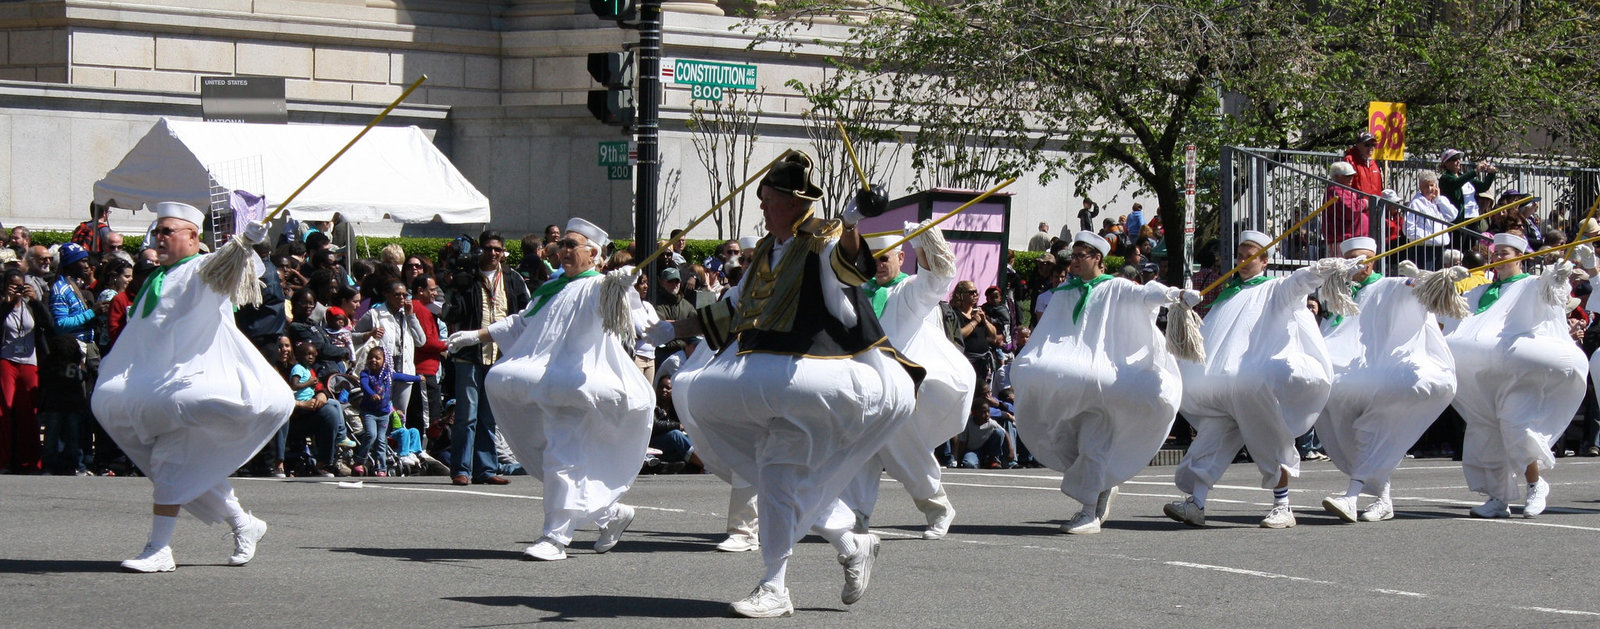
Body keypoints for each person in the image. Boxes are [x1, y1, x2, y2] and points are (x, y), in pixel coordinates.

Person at [649, 151, 919, 617]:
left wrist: (853, 218)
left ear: (796, 203)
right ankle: (850, 543)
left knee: (779, 476)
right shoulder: (762, 258)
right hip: (769, 385)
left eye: (769, 199)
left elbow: (851, 263)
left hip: (813, 377)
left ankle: (776, 585)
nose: (762, 206)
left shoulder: (820, 238)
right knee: (781, 476)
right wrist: (674, 330)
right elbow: (730, 311)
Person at [92, 202, 293, 572]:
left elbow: (226, 265)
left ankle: (160, 549)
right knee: (174, 464)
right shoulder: (156, 278)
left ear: (192, 237)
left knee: (172, 461)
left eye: (168, 231)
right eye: (157, 231)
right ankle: (243, 523)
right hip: (156, 385)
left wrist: (244, 245)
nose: (159, 237)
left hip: (192, 385)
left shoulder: (201, 269)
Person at [447, 217, 652, 561]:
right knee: (560, 457)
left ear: (594, 253)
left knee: (562, 457)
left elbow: (630, 313)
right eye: (563, 244)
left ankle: (556, 538)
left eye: (573, 245)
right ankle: (610, 514)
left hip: (577, 387)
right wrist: (475, 335)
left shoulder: (597, 286)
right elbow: (521, 323)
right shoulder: (554, 288)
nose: (564, 250)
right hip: (549, 385)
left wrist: (623, 281)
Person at [1014, 231, 1199, 534]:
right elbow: (1047, 333)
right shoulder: (1063, 293)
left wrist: (1176, 296)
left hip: (1102, 387)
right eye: (1071, 256)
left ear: (1097, 258)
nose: (1072, 262)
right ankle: (1101, 484)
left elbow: (1146, 294)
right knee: (1067, 442)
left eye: (1079, 256)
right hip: (1068, 389)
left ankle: (1088, 513)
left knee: (1093, 443)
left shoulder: (1115, 287)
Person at [1165, 230, 1350, 529]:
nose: (1242, 261)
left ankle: (1283, 506)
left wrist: (1319, 270)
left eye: (1250, 256)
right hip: (1223, 387)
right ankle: (1196, 503)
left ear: (1265, 261)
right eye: (1239, 255)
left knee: (1270, 440)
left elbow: (1299, 283)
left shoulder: (1276, 288)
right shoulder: (1229, 294)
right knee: (1210, 441)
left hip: (1252, 386)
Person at [834, 225, 974, 540]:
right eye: (874, 259)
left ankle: (937, 506)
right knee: (858, 450)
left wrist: (925, 238)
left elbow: (936, 276)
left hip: (902, 385)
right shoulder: (857, 293)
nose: (880, 264)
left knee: (903, 448)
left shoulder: (908, 290)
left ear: (901, 257)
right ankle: (857, 515)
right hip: (864, 386)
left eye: (887, 258)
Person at [1315, 237, 1457, 522]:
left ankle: (1352, 496)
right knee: (1354, 438)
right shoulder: (1342, 295)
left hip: (1382, 377)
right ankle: (1383, 499)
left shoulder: (1390, 285)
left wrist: (1430, 278)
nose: (1359, 264)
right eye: (1352, 258)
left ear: (1375, 259)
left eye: (1363, 258)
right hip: (1350, 380)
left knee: (1372, 432)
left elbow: (1417, 289)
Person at [1445, 233, 1587, 518]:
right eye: (1495, 252)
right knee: (1486, 433)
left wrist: (1558, 275)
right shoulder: (1480, 290)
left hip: (1517, 375)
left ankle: (1535, 484)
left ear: (1520, 256)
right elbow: (1450, 315)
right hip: (1485, 376)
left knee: (1516, 427)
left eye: (1505, 252)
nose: (1497, 257)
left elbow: (1553, 294)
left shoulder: (1530, 284)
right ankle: (1499, 498)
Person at [441, 231, 529, 486]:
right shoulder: (467, 278)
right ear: (480, 250)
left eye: (498, 249)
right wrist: (454, 286)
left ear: (503, 252)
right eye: (489, 248)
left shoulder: (512, 279)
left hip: (500, 356)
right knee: (466, 415)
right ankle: (461, 469)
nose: (493, 253)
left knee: (489, 417)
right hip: (469, 354)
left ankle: (486, 468)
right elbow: (450, 313)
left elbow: (525, 312)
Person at [0, 267, 50, 474]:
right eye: (13, 286)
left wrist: (36, 301)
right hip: (6, 360)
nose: (18, 290)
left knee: (28, 412)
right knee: (5, 409)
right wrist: (7, 303)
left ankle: (29, 462)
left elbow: (49, 324)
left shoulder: (31, 307)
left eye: (21, 286)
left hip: (30, 361)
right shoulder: (3, 305)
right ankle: (3, 461)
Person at [1405, 170, 1459, 271]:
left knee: (1437, 279)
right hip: (1424, 249)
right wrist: (1431, 237)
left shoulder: (1439, 201)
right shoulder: (1416, 203)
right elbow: (1409, 229)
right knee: (1425, 278)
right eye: (1426, 186)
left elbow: (1452, 215)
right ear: (1420, 187)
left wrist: (1439, 199)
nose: (1429, 189)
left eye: (1432, 185)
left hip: (1440, 247)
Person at [1324, 162, 1369, 254]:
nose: (1351, 178)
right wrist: (1364, 203)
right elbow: (1350, 210)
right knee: (1343, 267)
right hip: (1343, 240)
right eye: (1347, 176)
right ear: (1336, 177)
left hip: (1352, 239)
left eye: (1352, 176)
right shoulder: (1336, 190)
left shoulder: (1345, 190)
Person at [1343, 131, 1384, 198]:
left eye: (1373, 145)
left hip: (1373, 206)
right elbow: (1345, 186)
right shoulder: (1350, 160)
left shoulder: (1373, 163)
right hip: (1357, 206)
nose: (1371, 148)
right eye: (1367, 145)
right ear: (1358, 145)